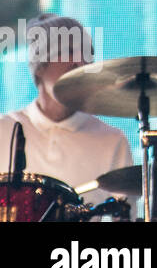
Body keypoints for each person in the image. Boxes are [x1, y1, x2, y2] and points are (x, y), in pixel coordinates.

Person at [1, 14, 132, 205]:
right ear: (39, 66)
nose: (79, 62)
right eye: (69, 51)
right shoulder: (4, 129)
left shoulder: (112, 140)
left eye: (87, 54)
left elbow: (126, 214)